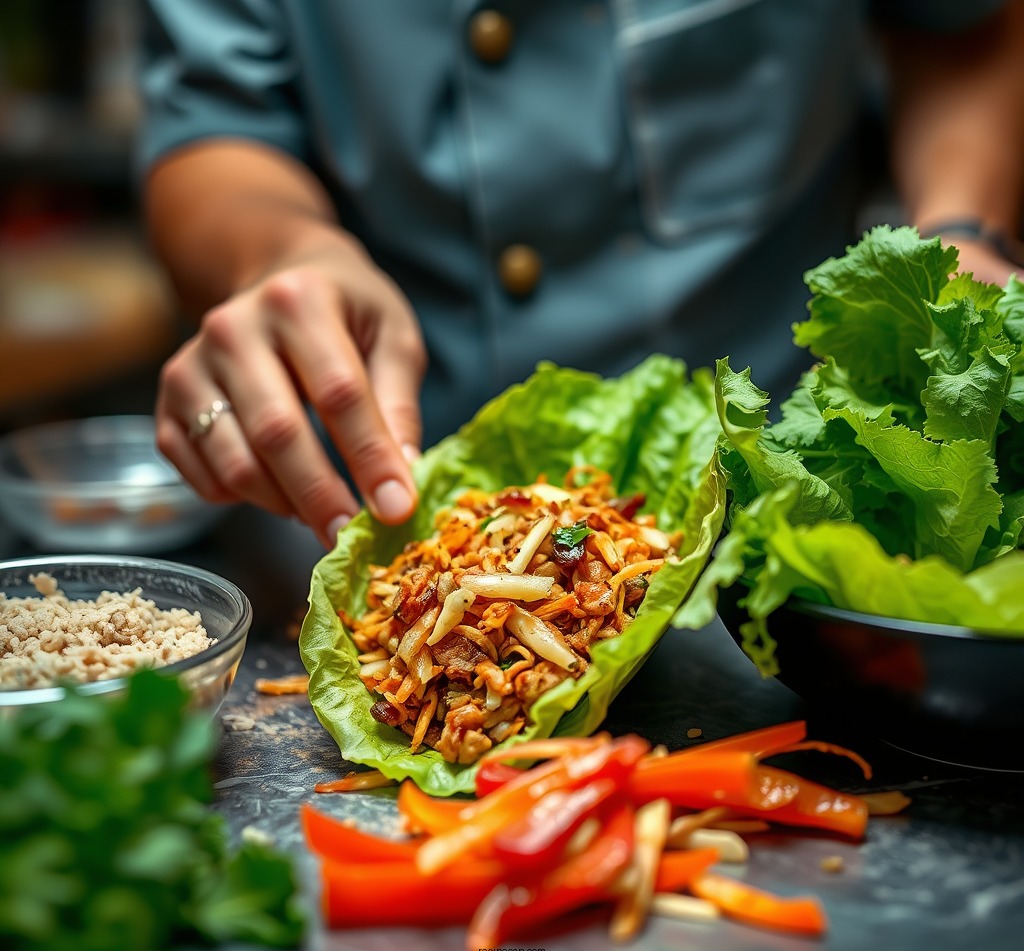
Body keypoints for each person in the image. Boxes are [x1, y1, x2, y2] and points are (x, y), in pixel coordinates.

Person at [136, 1, 1024, 548]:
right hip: (374, 493)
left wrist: (958, 232)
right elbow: (212, 122)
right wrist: (283, 252)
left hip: (790, 495)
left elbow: (962, 27)